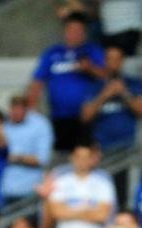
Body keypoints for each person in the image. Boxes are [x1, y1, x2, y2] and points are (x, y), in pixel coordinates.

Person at [28, 12, 106, 153]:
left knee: (86, 154)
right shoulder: (52, 53)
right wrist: (33, 109)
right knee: (62, 155)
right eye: (72, 30)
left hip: (87, 118)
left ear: (84, 33)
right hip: (60, 117)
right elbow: (37, 82)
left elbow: (106, 77)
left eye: (79, 31)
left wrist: (90, 68)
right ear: (65, 31)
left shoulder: (92, 51)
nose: (75, 34)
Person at [82, 45, 142, 156]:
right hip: (102, 147)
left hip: (128, 146)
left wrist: (124, 93)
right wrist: (104, 95)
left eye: (117, 59)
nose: (114, 63)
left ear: (122, 61)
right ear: (105, 61)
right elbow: (85, 116)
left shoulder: (134, 83)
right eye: (110, 59)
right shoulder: (94, 87)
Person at [2, 96, 54, 204]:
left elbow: (42, 159)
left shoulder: (40, 125)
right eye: (13, 109)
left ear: (26, 109)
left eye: (19, 109)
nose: (15, 113)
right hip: (4, 189)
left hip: (29, 190)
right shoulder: (4, 125)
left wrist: (16, 158)